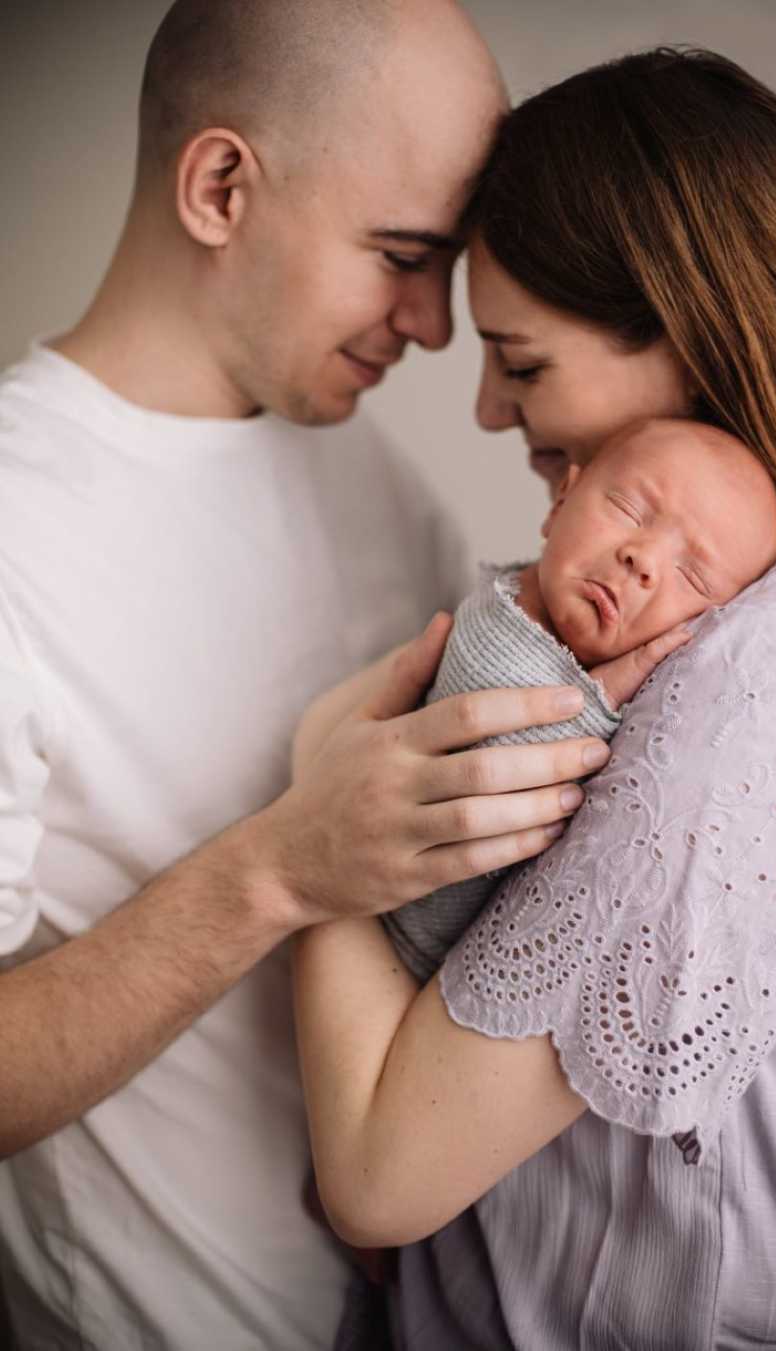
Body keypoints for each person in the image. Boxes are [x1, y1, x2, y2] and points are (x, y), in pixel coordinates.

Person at [0, 3, 610, 1348]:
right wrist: (279, 867)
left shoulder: (378, 480)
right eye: (401, 254)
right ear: (221, 186)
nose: (436, 328)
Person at [291, 48, 776, 1349]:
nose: (487, 401)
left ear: (691, 331)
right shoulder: (773, 609)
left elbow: (382, 1171)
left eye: (522, 358)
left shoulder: (765, 686)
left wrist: (316, 807)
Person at [384, 416, 776, 981]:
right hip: (396, 934)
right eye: (628, 511)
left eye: (691, 577)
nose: (642, 560)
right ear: (560, 501)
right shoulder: (498, 619)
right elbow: (504, 745)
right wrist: (617, 683)